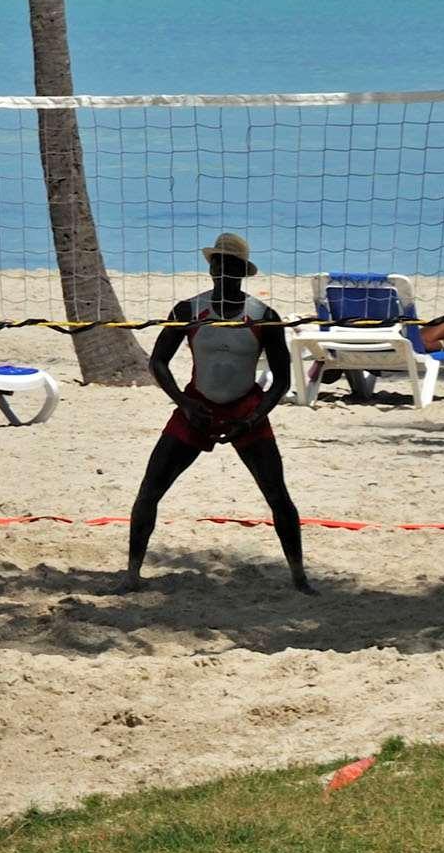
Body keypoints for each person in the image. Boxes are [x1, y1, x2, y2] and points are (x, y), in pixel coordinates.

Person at [120, 232, 312, 595]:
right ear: (210, 269)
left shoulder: (263, 317)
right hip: (197, 407)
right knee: (149, 491)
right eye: (217, 263)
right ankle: (131, 575)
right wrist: (182, 401)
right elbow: (158, 362)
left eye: (230, 264)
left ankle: (300, 578)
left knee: (277, 494)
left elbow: (282, 379)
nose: (222, 270)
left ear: (242, 270)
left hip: (245, 410)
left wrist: (255, 417)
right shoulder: (188, 310)